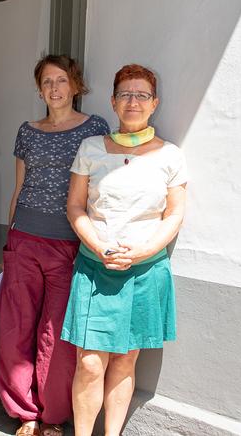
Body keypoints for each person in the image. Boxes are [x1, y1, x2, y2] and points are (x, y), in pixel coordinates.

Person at [62, 64, 188, 436]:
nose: (133, 101)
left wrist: (142, 250)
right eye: (125, 94)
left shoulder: (170, 156)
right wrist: (99, 246)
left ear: (154, 103)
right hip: (95, 268)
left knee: (124, 360)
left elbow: (175, 213)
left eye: (142, 95)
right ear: (114, 102)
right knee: (88, 363)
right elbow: (75, 207)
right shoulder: (91, 148)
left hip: (144, 270)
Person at [0, 55, 109, 436]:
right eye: (47, 81)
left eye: (62, 80)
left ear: (76, 86)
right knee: (15, 327)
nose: (54, 88)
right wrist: (9, 237)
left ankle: (53, 416)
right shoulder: (27, 131)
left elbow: (99, 190)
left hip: (69, 245)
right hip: (24, 237)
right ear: (39, 88)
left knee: (57, 333)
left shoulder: (94, 131)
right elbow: (19, 187)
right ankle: (25, 412)